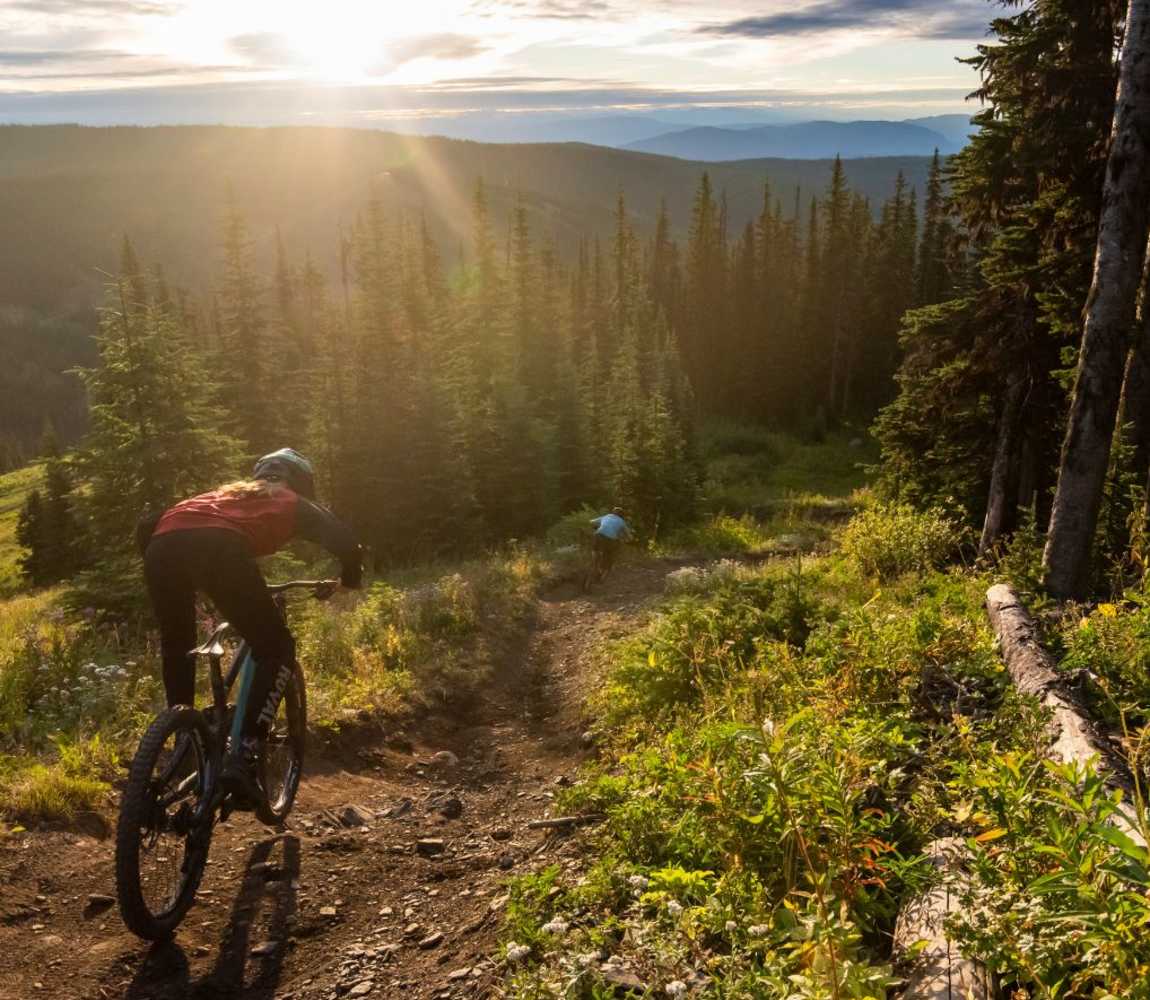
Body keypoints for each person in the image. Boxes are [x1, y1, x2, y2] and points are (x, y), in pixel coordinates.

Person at [140, 448, 362, 804]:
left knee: (177, 644)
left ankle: (182, 738)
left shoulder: (225, 492)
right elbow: (347, 541)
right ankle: (243, 756)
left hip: (161, 545)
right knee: (276, 647)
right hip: (219, 549)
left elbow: (148, 523)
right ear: (302, 481)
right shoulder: (291, 499)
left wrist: (174, 582)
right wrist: (349, 579)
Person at [589, 506, 631, 576]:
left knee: (595, 550)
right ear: (622, 515)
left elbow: (591, 521)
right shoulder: (621, 521)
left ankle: (594, 565)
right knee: (609, 554)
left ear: (612, 512)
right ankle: (603, 569)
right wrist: (629, 539)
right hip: (611, 540)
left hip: (599, 534)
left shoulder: (607, 516)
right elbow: (629, 535)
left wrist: (596, 527)